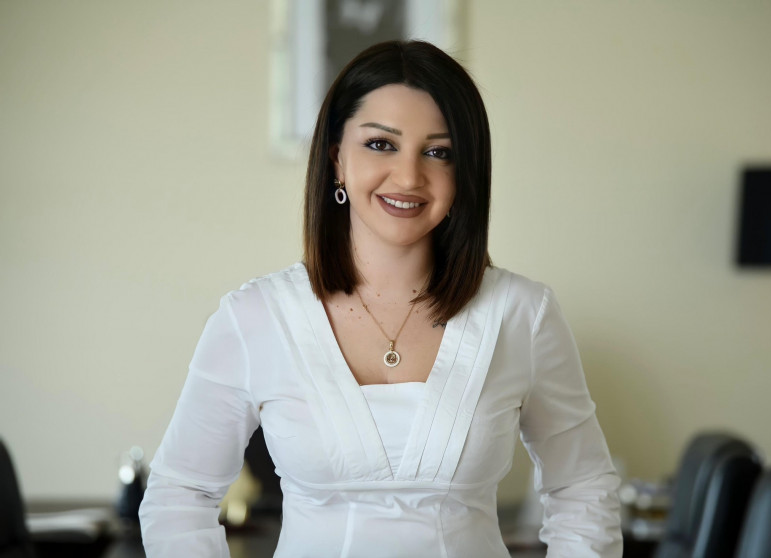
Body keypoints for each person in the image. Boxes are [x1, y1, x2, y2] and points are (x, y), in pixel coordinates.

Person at [139, 40, 622, 557]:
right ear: (336, 160)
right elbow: (179, 496)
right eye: (380, 144)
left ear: (465, 173)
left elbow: (584, 489)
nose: (409, 177)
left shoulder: (523, 315)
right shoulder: (254, 316)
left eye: (439, 152)